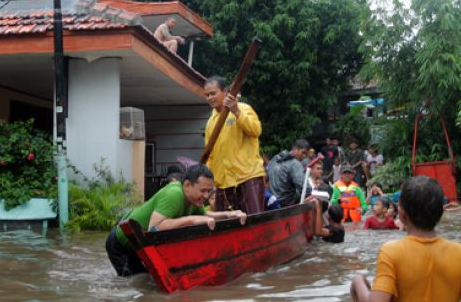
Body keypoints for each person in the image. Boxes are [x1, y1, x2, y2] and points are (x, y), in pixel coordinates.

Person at [105, 163, 246, 276]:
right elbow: (154, 228)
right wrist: (190, 220)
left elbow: (206, 216)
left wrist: (229, 215)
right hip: (120, 243)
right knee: (133, 282)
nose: (206, 196)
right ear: (187, 185)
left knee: (144, 280)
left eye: (209, 191)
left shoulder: (194, 200)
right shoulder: (174, 194)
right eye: (203, 190)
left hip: (139, 246)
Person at [350, 176, 461, 302]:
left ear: (401, 213)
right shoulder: (460, 253)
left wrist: (358, 282)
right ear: (441, 212)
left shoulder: (391, 252)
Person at [204, 76, 266, 214]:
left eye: (213, 93)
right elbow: (210, 155)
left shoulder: (243, 108)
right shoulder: (210, 122)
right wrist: (209, 178)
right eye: (207, 95)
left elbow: (256, 130)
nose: (210, 98)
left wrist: (236, 112)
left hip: (247, 176)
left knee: (252, 221)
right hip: (223, 183)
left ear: (225, 92)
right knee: (226, 225)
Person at [268, 139, 311, 208]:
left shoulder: (275, 158)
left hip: (271, 201)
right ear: (295, 149)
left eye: (306, 154)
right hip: (287, 203)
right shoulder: (295, 163)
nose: (304, 156)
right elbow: (305, 187)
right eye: (303, 152)